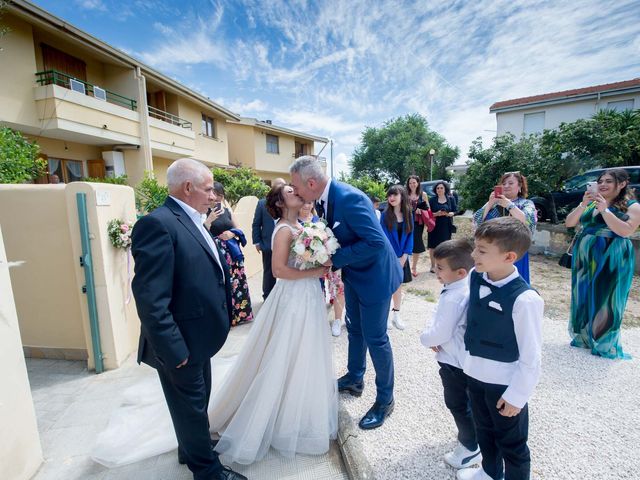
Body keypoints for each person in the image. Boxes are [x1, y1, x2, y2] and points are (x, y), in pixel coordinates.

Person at [129, 158, 246, 480]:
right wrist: (174, 351)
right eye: (209, 189)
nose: (214, 196)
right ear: (188, 187)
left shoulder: (193, 219)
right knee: (191, 406)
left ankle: (191, 447)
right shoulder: (158, 224)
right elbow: (151, 299)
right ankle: (208, 472)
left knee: (195, 405)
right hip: (180, 343)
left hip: (198, 338)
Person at [208, 184, 337, 464]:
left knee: (305, 353)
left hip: (308, 295)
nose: (298, 193)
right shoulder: (283, 230)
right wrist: (317, 270)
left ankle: (298, 411)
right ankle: (273, 418)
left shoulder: (302, 224)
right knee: (285, 352)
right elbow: (278, 270)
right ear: (280, 203)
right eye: (291, 192)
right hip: (292, 297)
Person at [290, 156, 402, 430]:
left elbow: (375, 242)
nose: (295, 192)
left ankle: (385, 400)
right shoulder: (324, 199)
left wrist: (333, 259)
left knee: (376, 338)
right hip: (355, 274)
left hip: (375, 276)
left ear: (312, 182)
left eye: (296, 186)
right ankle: (355, 378)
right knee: (355, 330)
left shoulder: (349, 198)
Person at [457, 217, 543, 480]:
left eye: (482, 251)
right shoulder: (475, 276)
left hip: (503, 384)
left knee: (512, 443)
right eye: (475, 247)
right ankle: (490, 471)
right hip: (475, 375)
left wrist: (517, 395)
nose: (473, 255)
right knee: (484, 430)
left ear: (509, 257)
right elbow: (467, 318)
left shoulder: (525, 299)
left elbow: (532, 355)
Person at [565, 168, 640, 359]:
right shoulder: (592, 203)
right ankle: (585, 337)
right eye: (600, 181)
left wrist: (604, 210)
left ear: (622, 184)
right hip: (585, 257)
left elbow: (625, 231)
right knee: (583, 293)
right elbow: (569, 223)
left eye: (608, 181)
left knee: (607, 297)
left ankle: (604, 343)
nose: (603, 184)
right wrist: (583, 204)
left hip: (612, 255)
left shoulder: (633, 206)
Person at [420, 239, 480, 470]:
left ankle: (469, 447)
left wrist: (426, 338)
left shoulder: (455, 296)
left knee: (457, 403)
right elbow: (438, 314)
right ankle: (473, 435)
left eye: (440, 268)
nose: (435, 271)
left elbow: (439, 333)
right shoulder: (461, 286)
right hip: (462, 359)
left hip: (454, 362)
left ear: (461, 271)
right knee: (468, 402)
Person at [473, 172, 537, 284]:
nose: (506, 185)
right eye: (504, 183)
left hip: (514, 250)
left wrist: (509, 204)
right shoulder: (493, 204)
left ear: (520, 186)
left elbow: (526, 220)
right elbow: (476, 220)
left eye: (510, 183)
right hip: (491, 249)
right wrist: (489, 203)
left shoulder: (526, 203)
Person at [207, 182, 253, 326]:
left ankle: (240, 316)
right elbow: (201, 233)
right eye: (215, 195)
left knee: (237, 283)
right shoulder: (203, 213)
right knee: (222, 284)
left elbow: (238, 228)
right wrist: (209, 220)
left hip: (232, 254)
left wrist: (231, 233)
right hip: (217, 254)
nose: (216, 199)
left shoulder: (227, 211)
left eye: (220, 196)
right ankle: (225, 318)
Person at [298, 201, 345, 337]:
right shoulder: (293, 222)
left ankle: (337, 319)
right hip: (308, 265)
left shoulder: (320, 221)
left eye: (309, 203)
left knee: (338, 287)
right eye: (303, 203)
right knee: (316, 292)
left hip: (327, 261)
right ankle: (315, 319)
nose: (306, 206)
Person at [380, 184, 414, 330]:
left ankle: (396, 315)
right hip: (388, 258)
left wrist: (405, 256)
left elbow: (410, 235)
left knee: (398, 287)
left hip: (403, 257)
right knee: (387, 287)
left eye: (395, 195)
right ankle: (385, 317)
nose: (391, 197)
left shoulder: (408, 214)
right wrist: (394, 257)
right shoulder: (384, 215)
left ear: (402, 196)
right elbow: (383, 238)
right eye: (390, 195)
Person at [251, 177, 286, 300]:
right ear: (272, 188)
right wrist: (257, 242)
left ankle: (284, 297)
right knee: (269, 272)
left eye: (282, 186)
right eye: (278, 186)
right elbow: (256, 224)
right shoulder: (262, 203)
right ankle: (268, 297)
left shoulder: (288, 203)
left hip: (287, 245)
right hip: (268, 245)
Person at [428, 181, 456, 272]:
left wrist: (450, 214)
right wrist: (437, 214)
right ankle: (433, 266)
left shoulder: (451, 199)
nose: (439, 190)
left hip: (446, 225)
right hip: (434, 225)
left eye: (441, 188)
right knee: (433, 246)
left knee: (445, 245)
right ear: (435, 190)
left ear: (445, 189)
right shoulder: (432, 200)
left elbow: (455, 210)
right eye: (438, 188)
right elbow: (428, 213)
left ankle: (444, 265)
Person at [406, 175, 429, 277]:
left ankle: (414, 267)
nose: (412, 185)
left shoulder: (423, 194)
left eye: (414, 182)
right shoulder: (404, 194)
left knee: (416, 244)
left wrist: (422, 210)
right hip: (406, 222)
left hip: (418, 223)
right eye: (410, 183)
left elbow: (428, 210)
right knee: (405, 242)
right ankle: (404, 266)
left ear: (418, 183)